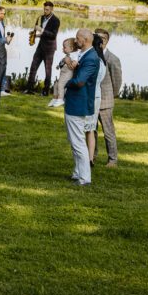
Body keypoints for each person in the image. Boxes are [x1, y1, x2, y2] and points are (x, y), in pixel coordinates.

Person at [62, 28, 100, 186]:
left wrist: (64, 83)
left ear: (85, 40)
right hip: (74, 102)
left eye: (78, 38)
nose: (75, 40)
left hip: (79, 103)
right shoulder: (84, 54)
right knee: (74, 140)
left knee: (78, 142)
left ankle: (84, 178)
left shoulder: (91, 58)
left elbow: (79, 81)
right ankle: (78, 172)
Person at [93, 28, 123, 168]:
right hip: (92, 100)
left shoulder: (112, 59)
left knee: (108, 132)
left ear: (107, 41)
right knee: (91, 130)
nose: (100, 41)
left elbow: (117, 81)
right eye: (97, 37)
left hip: (105, 101)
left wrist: (112, 95)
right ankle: (92, 156)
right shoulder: (91, 55)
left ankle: (112, 160)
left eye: (103, 38)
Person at [83, 33, 109, 170]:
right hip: (97, 97)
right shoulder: (102, 62)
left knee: (84, 128)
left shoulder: (93, 61)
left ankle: (85, 158)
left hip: (89, 96)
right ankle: (90, 158)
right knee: (91, 129)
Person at [27, 1, 60, 95]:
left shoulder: (56, 20)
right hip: (40, 46)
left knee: (47, 70)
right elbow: (44, 34)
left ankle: (45, 91)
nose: (45, 11)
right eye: (44, 9)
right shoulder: (41, 18)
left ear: (52, 9)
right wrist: (36, 36)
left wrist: (41, 29)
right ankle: (29, 89)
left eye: (47, 10)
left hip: (49, 48)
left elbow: (53, 35)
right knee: (33, 66)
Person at [48, 38, 80, 107]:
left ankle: (60, 99)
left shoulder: (75, 55)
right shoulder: (68, 55)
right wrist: (59, 65)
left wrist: (71, 63)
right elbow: (63, 62)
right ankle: (55, 98)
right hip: (62, 74)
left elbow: (74, 64)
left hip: (68, 74)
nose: (63, 49)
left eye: (64, 47)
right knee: (56, 84)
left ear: (71, 48)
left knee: (60, 85)